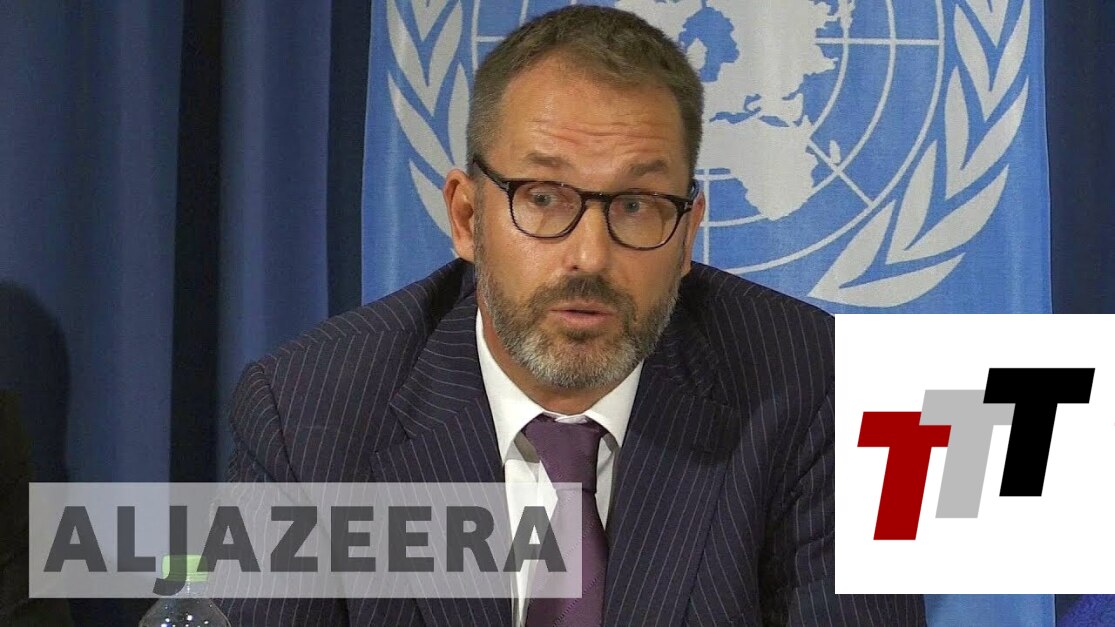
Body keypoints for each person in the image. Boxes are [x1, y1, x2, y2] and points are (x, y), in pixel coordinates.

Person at [220, 6, 924, 626]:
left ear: (687, 234)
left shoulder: (826, 391)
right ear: (467, 217)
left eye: (637, 205)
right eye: (543, 197)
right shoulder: (307, 416)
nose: (589, 256)